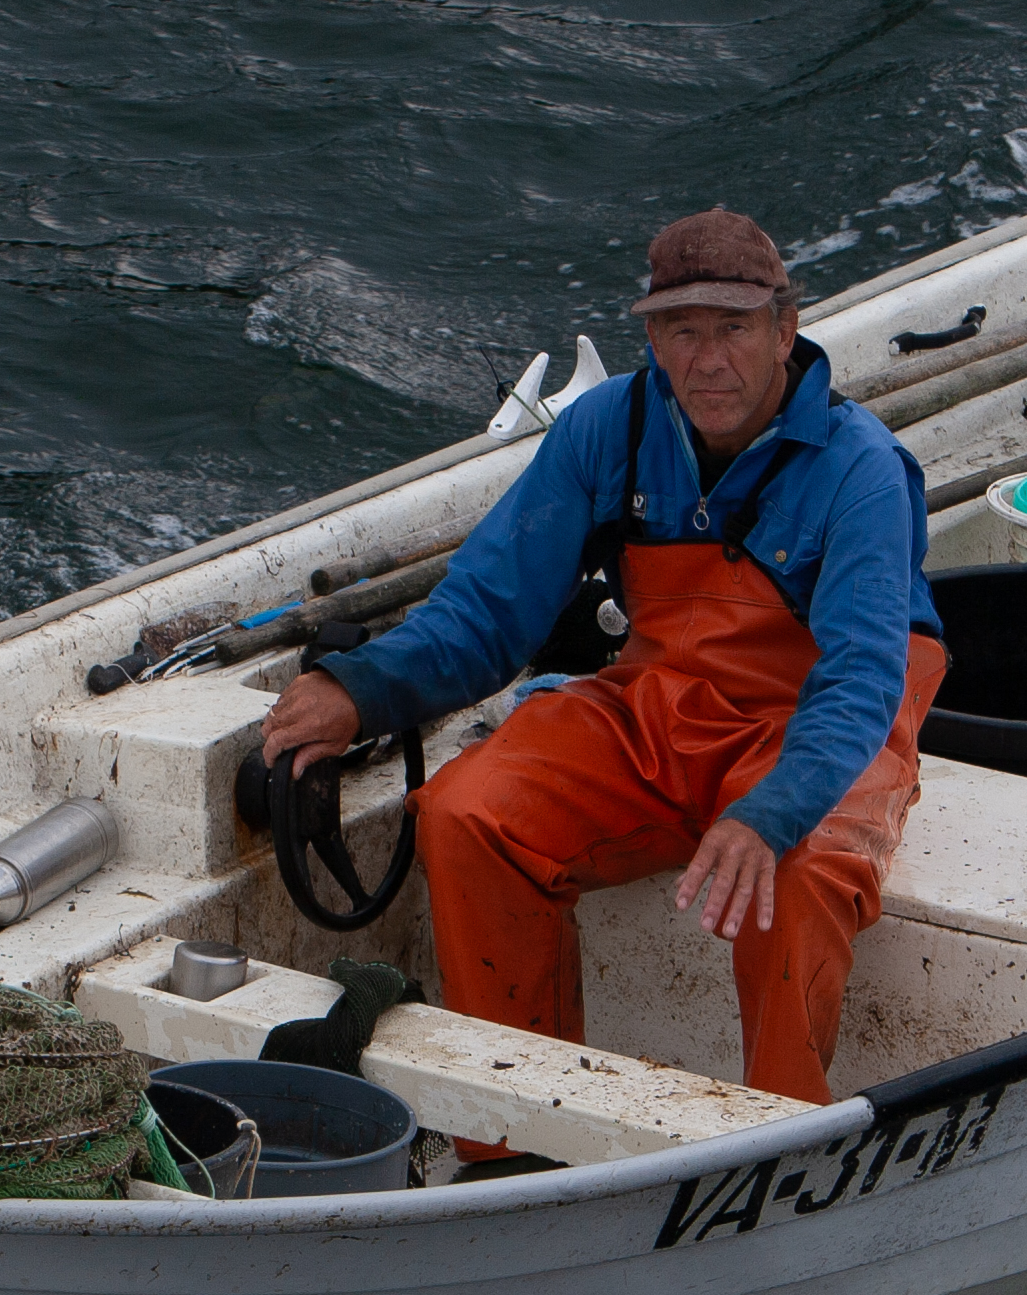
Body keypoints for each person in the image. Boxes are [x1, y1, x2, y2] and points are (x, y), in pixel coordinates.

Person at [258, 209, 942, 1125]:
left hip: (819, 728)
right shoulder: (605, 430)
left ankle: (780, 1138)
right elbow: (489, 606)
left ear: (786, 330)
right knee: (466, 814)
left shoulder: (863, 468)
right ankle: (516, 1132)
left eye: (735, 328)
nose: (709, 360)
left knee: (800, 871)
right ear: (651, 341)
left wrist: (770, 814)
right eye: (682, 331)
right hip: (665, 701)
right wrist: (362, 689)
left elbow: (861, 678)